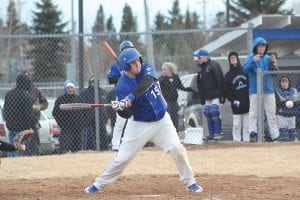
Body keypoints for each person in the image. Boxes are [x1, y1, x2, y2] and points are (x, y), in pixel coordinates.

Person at [84, 48, 203, 193]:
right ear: (126, 67)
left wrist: (130, 98)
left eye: (137, 60)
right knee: (122, 158)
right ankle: (98, 184)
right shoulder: (121, 86)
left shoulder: (147, 68)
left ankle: (190, 182)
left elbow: (146, 83)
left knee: (177, 149)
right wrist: (121, 107)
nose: (137, 64)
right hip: (139, 124)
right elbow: (127, 114)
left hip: (161, 120)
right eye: (133, 62)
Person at [243, 37, 280, 142]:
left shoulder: (268, 58)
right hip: (255, 90)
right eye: (260, 46)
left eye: (263, 46)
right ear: (256, 47)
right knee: (254, 112)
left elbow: (276, 74)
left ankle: (275, 135)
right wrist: (252, 61)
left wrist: (274, 66)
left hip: (268, 90)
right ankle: (253, 133)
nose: (262, 48)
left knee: (271, 113)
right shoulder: (251, 57)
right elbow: (244, 70)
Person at [106, 40, 134, 151]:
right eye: (125, 50)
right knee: (120, 122)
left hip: (135, 96)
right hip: (121, 95)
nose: (127, 51)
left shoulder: (137, 64)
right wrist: (123, 76)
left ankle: (131, 144)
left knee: (135, 121)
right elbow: (110, 79)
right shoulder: (117, 65)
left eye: (129, 49)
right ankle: (116, 145)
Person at [194, 49, 225, 140]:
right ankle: (211, 134)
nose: (198, 60)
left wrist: (221, 94)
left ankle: (218, 133)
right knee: (207, 112)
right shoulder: (201, 69)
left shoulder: (213, 65)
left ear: (205, 57)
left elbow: (220, 79)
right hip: (207, 96)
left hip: (216, 94)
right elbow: (199, 85)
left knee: (214, 111)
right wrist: (202, 98)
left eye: (199, 57)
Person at [3, 74, 37, 157]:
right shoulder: (26, 96)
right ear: (26, 83)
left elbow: (5, 111)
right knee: (23, 151)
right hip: (24, 129)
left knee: (12, 149)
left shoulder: (9, 94)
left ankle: (12, 163)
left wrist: (8, 123)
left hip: (12, 127)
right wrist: (33, 127)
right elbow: (29, 115)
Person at [159, 62, 195, 132]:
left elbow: (180, 86)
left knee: (175, 119)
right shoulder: (161, 79)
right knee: (168, 120)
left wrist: (189, 89)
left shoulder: (175, 77)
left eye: (165, 69)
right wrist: (170, 81)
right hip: (166, 102)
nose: (163, 71)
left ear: (170, 70)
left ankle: (176, 134)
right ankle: (168, 134)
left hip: (174, 102)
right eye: (162, 69)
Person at [52, 80, 85, 154]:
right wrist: (62, 124)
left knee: (77, 150)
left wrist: (82, 124)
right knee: (64, 149)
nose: (70, 89)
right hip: (66, 129)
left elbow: (85, 112)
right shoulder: (60, 100)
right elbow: (55, 113)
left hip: (78, 128)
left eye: (72, 88)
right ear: (65, 89)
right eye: (68, 88)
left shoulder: (79, 99)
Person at [224, 52, 250, 142]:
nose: (233, 59)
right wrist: (233, 100)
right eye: (231, 58)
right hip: (236, 103)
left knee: (247, 124)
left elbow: (250, 84)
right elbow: (227, 91)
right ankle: (237, 141)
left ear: (238, 59)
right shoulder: (228, 75)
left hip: (247, 101)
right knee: (236, 124)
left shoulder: (244, 71)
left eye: (234, 58)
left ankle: (247, 140)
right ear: (229, 61)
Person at [80, 75, 110, 150]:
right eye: (93, 82)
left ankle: (104, 150)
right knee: (90, 138)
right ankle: (90, 150)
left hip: (102, 120)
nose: (94, 83)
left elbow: (108, 107)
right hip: (89, 121)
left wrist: (106, 117)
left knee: (103, 136)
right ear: (90, 82)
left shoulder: (103, 93)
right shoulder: (84, 94)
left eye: (96, 82)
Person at [23, 71, 48, 156]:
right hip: (22, 120)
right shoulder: (19, 91)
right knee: (23, 140)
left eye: (28, 77)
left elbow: (45, 103)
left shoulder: (36, 91)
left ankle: (36, 155)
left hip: (34, 119)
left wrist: (39, 107)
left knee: (35, 139)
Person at [275, 75, 299, 141]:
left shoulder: (294, 90)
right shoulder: (277, 91)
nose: (284, 84)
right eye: (282, 82)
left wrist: (293, 103)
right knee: (283, 135)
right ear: (280, 83)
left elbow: (298, 101)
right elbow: (277, 103)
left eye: (286, 82)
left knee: (292, 134)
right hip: (281, 115)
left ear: (289, 82)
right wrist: (286, 103)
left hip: (292, 115)